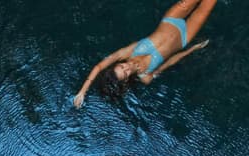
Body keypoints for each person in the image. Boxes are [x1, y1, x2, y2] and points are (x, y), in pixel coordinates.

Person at [74, 0, 217, 108]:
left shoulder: (128, 52)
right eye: (125, 72)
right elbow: (170, 62)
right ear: (126, 79)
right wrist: (192, 49)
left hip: (173, 18)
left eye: (122, 66)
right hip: (185, 36)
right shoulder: (146, 77)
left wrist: (82, 92)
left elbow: (99, 67)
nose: (127, 67)